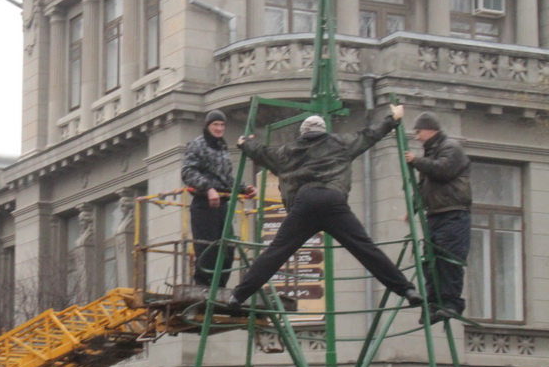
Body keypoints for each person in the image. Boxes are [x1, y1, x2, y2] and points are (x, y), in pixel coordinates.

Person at [228, 105, 421, 310]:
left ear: (303, 133)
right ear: (324, 130)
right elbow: (369, 135)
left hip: (304, 204)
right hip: (333, 201)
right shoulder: (341, 144)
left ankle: (238, 295)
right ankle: (407, 290)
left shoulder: (288, 152)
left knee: (276, 252)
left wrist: (243, 143)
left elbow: (261, 152)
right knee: (366, 249)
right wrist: (393, 119)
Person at [404, 111, 472, 322]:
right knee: (430, 261)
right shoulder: (432, 154)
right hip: (435, 215)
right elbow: (425, 187)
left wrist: (416, 161)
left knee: (448, 259)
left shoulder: (451, 148)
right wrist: (414, 208)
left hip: (453, 213)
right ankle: (434, 304)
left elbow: (442, 171)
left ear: (430, 129)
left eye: (418, 131)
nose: (417, 137)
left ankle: (451, 304)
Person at [182, 110, 257, 290]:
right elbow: (188, 172)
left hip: (222, 205)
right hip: (204, 205)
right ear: (208, 126)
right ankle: (203, 287)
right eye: (215, 124)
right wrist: (208, 189)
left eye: (222, 125)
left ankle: (219, 287)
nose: (219, 128)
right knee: (208, 249)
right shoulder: (197, 145)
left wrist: (245, 187)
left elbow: (226, 179)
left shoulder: (222, 148)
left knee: (227, 249)